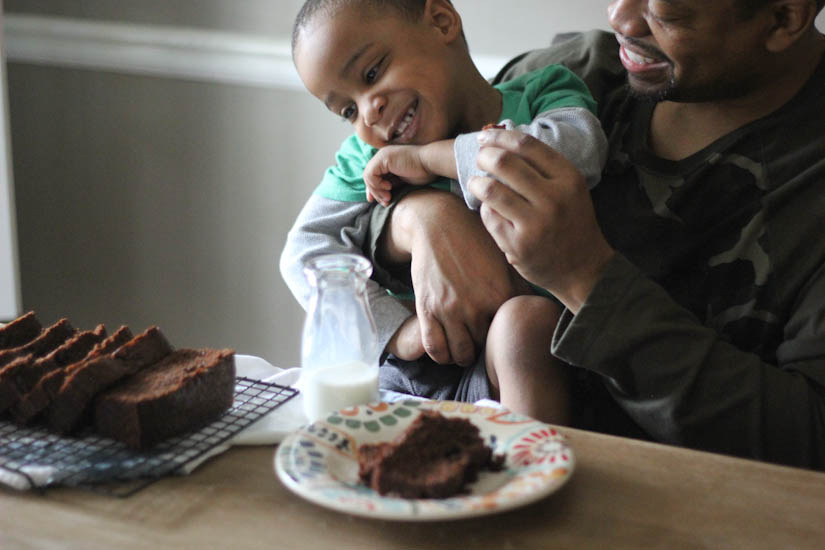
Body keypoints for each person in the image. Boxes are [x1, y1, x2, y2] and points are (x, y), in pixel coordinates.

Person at [366, 0, 825, 470]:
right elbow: (356, 209)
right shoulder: (570, 76)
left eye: (665, 13)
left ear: (785, 17)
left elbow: (807, 441)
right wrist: (424, 219)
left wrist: (584, 276)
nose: (620, 19)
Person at [280, 0, 609, 422]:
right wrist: (397, 332)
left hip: (508, 368)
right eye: (347, 110)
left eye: (372, 73)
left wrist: (433, 160)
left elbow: (579, 150)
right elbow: (304, 252)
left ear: (441, 20)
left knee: (526, 324)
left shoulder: (541, 92)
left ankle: (526, 475)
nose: (368, 113)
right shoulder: (364, 156)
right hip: (411, 373)